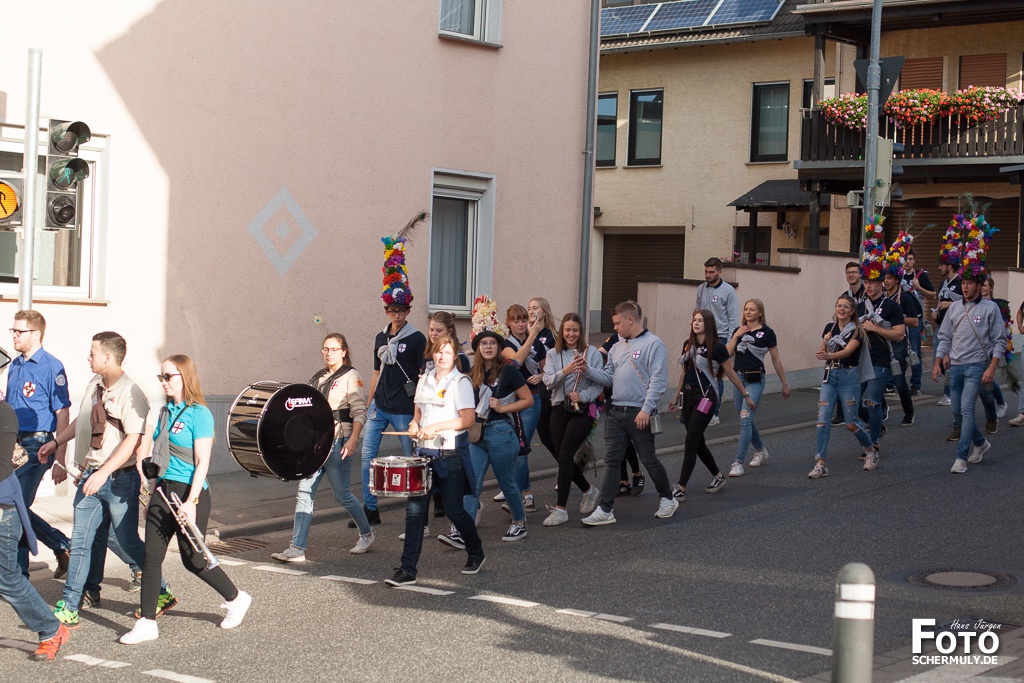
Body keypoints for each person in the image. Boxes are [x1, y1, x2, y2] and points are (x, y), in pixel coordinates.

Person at [119, 355, 252, 644]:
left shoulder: (199, 414)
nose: (164, 382)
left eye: (169, 376)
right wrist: (152, 493)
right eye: (161, 377)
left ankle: (236, 598)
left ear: (185, 377)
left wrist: (191, 503)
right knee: (151, 557)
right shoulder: (165, 411)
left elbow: (203, 462)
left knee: (193, 560)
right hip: (164, 489)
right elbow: (159, 456)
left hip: (190, 492)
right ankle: (147, 622)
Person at [39, 332, 150, 629]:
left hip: (119, 480)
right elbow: (83, 421)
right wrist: (57, 442)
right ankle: (70, 605)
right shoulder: (95, 384)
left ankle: (159, 588)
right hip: (93, 476)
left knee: (127, 541)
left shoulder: (131, 391)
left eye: (92, 353)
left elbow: (133, 440)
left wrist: (103, 472)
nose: (88, 358)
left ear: (108, 357)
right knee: (81, 542)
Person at [385, 336, 484, 586]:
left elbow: (468, 420)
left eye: (447, 353)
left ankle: (476, 551)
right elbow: (418, 412)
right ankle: (407, 569)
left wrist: (435, 427)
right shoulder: (424, 379)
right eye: (439, 352)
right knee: (414, 513)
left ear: (455, 356)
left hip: (448, 454)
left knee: (454, 511)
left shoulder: (460, 382)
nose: (442, 357)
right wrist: (415, 424)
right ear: (432, 354)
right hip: (422, 455)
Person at [271, 334, 374, 563]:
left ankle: (367, 534)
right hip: (315, 445)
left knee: (342, 495)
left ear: (344, 351)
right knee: (304, 492)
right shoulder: (318, 378)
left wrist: (353, 439)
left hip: (338, 441)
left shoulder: (351, 376)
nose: (329, 353)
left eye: (334, 349)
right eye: (326, 349)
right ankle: (297, 548)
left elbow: (359, 412)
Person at [582, 301, 677, 525]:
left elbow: (659, 380)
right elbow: (608, 378)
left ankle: (667, 498)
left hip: (639, 412)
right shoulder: (616, 347)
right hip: (616, 411)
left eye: (617, 323)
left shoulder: (654, 344)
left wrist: (646, 409)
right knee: (612, 461)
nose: (615, 328)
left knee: (648, 459)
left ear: (630, 319)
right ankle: (605, 509)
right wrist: (587, 370)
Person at [360, 220, 429, 527]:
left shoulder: (416, 338)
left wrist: (418, 412)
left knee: (412, 458)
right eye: (392, 310)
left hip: (404, 407)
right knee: (367, 457)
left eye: (401, 310)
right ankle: (369, 508)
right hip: (380, 405)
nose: (397, 315)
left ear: (408, 311)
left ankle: (419, 508)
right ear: (386, 310)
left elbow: (423, 375)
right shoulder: (380, 337)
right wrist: (369, 404)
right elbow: (376, 372)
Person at [0, 398, 70, 660]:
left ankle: (51, 629)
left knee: (7, 578)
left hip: (3, 508)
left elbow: (2, 466)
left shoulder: (4, 413)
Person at [933, 221, 1005, 474]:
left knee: (966, 409)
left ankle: (960, 457)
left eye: (970, 283)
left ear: (979, 284)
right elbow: (944, 336)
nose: (965, 286)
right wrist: (938, 360)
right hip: (956, 365)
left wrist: (992, 367)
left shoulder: (990, 308)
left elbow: (999, 340)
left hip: (976, 366)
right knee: (957, 411)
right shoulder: (954, 308)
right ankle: (981, 443)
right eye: (963, 282)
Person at [6, 310, 72, 579]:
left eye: (19, 331)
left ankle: (18, 575)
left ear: (35, 334)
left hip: (38, 444)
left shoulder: (51, 366)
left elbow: (63, 414)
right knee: (15, 506)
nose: (14, 335)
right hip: (13, 444)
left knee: (14, 506)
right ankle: (61, 544)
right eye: (13, 330)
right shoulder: (15, 365)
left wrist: (60, 459)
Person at [668, 310, 753, 498]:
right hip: (688, 396)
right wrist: (675, 396)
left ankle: (681, 488)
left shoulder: (718, 348)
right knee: (697, 441)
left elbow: (730, 373)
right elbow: (685, 372)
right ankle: (718, 476)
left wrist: (746, 395)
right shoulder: (688, 344)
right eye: (694, 320)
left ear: (708, 324)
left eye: (700, 320)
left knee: (691, 442)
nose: (696, 323)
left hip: (706, 397)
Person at [463, 326, 532, 541]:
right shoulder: (473, 372)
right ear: (478, 348)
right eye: (484, 343)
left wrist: (502, 407)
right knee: (471, 483)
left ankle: (519, 522)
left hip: (501, 431)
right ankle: (463, 529)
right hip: (477, 434)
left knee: (506, 482)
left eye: (493, 343)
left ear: (499, 347)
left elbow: (527, 400)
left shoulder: (509, 370)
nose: (488, 347)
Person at [541, 313, 605, 526]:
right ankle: (589, 490)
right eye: (567, 330)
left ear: (581, 332)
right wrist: (565, 371)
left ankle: (561, 509)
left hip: (583, 410)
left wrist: (583, 395)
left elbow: (599, 384)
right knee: (563, 457)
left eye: (575, 330)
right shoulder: (553, 354)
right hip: (559, 408)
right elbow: (548, 382)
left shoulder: (592, 353)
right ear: (562, 331)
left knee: (566, 453)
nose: (571, 334)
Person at [808, 295, 877, 478]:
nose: (841, 309)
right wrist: (825, 341)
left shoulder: (857, 331)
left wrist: (829, 356)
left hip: (848, 377)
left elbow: (847, 351)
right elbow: (822, 350)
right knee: (822, 420)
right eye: (839, 306)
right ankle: (820, 463)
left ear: (852, 311)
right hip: (829, 376)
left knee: (850, 423)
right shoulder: (829, 328)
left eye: (846, 307)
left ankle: (870, 450)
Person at [856, 218, 906, 468]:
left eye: (872, 282)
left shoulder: (892, 306)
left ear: (882, 283)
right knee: (851, 405)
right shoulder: (858, 306)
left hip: (879, 361)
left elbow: (899, 334)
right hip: (858, 361)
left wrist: (875, 328)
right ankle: (876, 428)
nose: (868, 286)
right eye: (866, 282)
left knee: (872, 402)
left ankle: (873, 445)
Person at [724, 299, 790, 477]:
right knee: (745, 418)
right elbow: (727, 354)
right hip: (738, 380)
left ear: (760, 312)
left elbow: (775, 359)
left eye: (752, 309)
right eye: (746, 309)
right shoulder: (739, 331)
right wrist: (736, 336)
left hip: (755, 380)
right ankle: (760, 450)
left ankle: (738, 462)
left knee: (745, 419)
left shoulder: (767, 333)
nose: (748, 312)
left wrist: (784, 383)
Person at [499, 303, 548, 513]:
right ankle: (527, 493)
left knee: (521, 447)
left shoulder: (538, 345)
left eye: (524, 320)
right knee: (515, 448)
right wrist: (532, 336)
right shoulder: (505, 343)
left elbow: (548, 370)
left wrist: (542, 376)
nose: (520, 324)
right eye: (516, 320)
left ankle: (515, 497)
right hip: (511, 401)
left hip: (532, 400)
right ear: (508, 323)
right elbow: (516, 360)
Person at [423, 311, 470, 520]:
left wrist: (437, 425)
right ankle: (422, 525)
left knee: (454, 502)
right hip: (429, 434)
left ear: (449, 332)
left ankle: (464, 526)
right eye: (431, 330)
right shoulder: (428, 359)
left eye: (438, 330)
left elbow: (464, 405)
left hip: (451, 437)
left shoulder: (459, 361)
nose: (433, 334)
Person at [695, 258, 739, 426]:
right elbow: (698, 312)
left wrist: (730, 343)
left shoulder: (728, 291)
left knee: (716, 376)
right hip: (702, 336)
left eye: (711, 272)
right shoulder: (701, 289)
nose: (708, 275)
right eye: (706, 272)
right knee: (701, 374)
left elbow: (733, 319)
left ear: (720, 272)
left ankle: (714, 413)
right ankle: (703, 409)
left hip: (720, 337)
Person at [599, 332, 644, 496]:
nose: (616, 326)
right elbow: (600, 354)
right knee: (616, 442)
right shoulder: (614, 339)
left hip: (632, 398)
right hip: (613, 396)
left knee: (627, 441)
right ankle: (623, 481)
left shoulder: (643, 341)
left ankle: (637, 473)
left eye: (618, 322)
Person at [883, 266, 920, 427]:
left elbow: (915, 321)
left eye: (889, 278)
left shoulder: (905, 297)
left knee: (899, 381)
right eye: (884, 278)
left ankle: (909, 411)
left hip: (899, 343)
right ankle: (881, 408)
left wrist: (896, 317)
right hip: (882, 342)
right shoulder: (881, 297)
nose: (886, 281)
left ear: (897, 280)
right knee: (877, 380)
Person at [832, 263, 866, 427]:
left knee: (866, 376)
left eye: (854, 272)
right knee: (841, 372)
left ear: (860, 274)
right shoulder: (845, 296)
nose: (851, 275)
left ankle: (878, 405)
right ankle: (840, 414)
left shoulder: (867, 293)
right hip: (848, 335)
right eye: (848, 272)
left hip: (865, 335)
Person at [934, 224, 964, 407]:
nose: (939, 268)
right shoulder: (943, 283)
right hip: (942, 325)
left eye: (942, 265)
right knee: (939, 357)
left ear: (950, 266)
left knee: (951, 360)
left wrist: (951, 304)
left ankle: (950, 392)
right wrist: (937, 311)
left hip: (956, 328)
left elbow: (968, 304)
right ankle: (950, 389)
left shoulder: (961, 283)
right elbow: (940, 300)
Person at [901, 249, 935, 394]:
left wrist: (919, 287)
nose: (907, 262)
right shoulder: (897, 276)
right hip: (899, 320)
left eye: (910, 259)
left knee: (915, 350)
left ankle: (915, 384)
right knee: (897, 351)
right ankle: (896, 382)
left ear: (914, 260)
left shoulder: (921, 275)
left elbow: (933, 295)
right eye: (905, 259)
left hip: (915, 319)